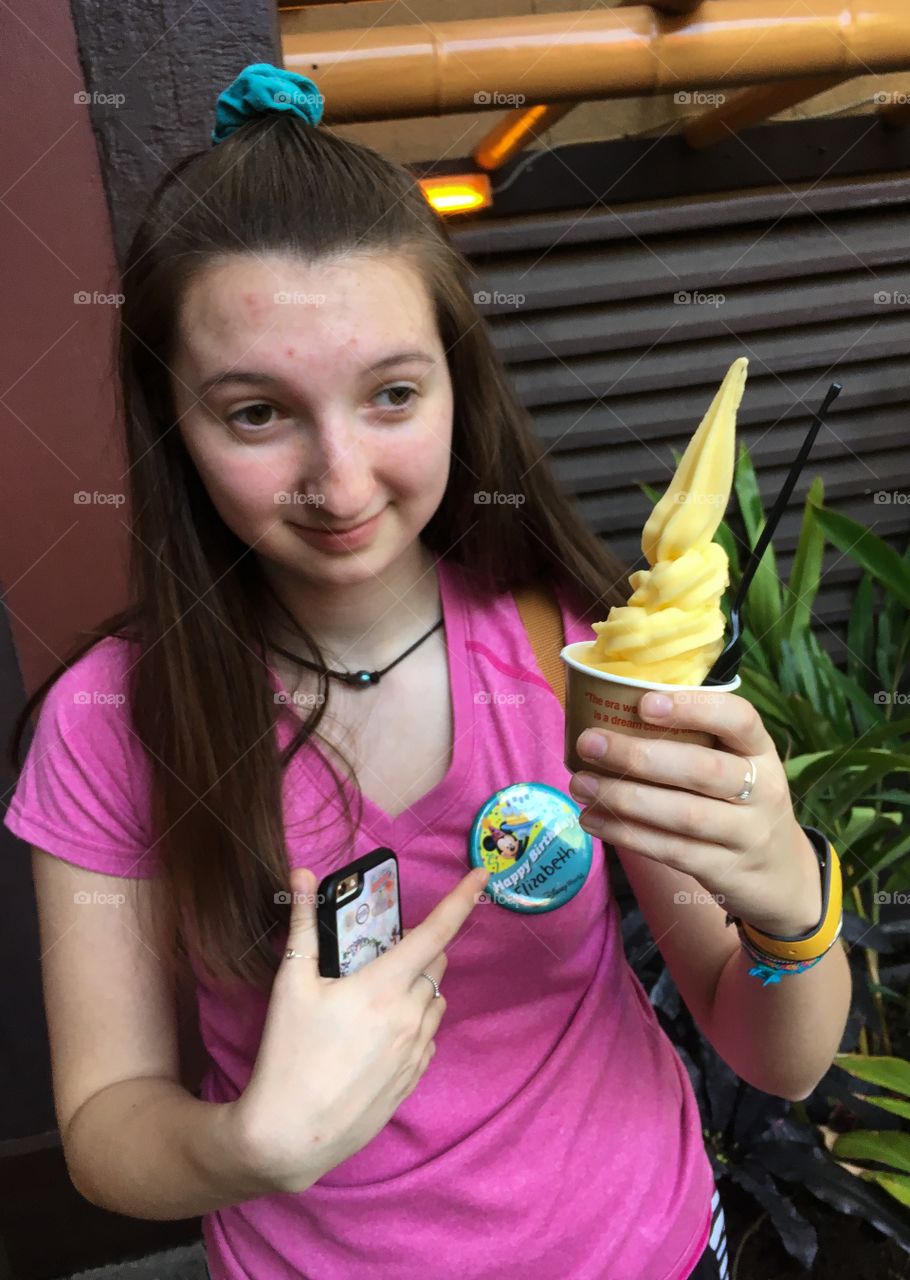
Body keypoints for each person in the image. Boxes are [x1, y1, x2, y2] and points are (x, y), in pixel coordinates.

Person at [5, 64, 850, 1280]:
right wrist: (246, 1146)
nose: (340, 483)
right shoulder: (107, 721)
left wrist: (785, 905)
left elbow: (778, 1055)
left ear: (460, 382)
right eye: (256, 414)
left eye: (392, 393)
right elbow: (105, 1124)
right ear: (171, 421)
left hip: (650, 1243)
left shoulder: (573, 641)